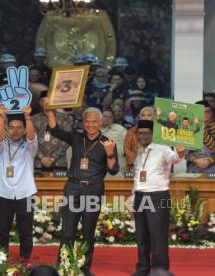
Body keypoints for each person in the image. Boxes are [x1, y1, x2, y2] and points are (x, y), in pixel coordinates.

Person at [45, 104, 119, 276]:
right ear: (83, 122)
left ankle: (84, 269)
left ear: (100, 122)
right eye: (87, 121)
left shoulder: (107, 142)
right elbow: (55, 130)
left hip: (93, 188)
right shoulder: (77, 137)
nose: (91, 125)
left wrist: (109, 154)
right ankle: (63, 266)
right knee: (67, 231)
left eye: (94, 122)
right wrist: (49, 111)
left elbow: (114, 170)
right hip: (73, 187)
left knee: (88, 232)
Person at [131, 120, 185, 276]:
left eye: (146, 133)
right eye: (140, 133)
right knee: (141, 236)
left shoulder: (162, 148)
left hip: (158, 196)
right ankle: (142, 269)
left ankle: (160, 270)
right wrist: (134, 197)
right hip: (140, 196)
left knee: (158, 236)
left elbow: (174, 158)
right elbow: (137, 177)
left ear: (153, 134)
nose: (142, 136)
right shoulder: (140, 151)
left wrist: (180, 152)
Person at [0, 105, 37, 260]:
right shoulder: (1, 147)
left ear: (24, 130)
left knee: (25, 231)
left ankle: (25, 260)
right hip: (3, 192)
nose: (15, 130)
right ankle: (0, 259)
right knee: (2, 230)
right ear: (7, 129)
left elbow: (32, 136)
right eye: (11, 128)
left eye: (19, 127)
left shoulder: (30, 147)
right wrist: (2, 118)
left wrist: (28, 117)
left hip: (25, 192)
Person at [33, 91, 72, 172]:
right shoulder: (34, 119)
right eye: (45, 101)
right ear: (40, 102)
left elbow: (67, 140)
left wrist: (53, 157)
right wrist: (41, 157)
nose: (48, 104)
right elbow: (30, 141)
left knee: (59, 185)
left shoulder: (65, 118)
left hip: (59, 163)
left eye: (50, 101)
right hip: (38, 163)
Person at [186, 106, 215, 173]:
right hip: (193, 169)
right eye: (201, 111)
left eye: (207, 111)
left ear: (212, 113)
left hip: (214, 170)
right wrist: (196, 161)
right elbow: (184, 151)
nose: (204, 114)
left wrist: (209, 161)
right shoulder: (187, 128)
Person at [124, 106, 154, 171]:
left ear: (153, 117)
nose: (145, 117)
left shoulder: (158, 133)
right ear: (139, 117)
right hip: (134, 167)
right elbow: (127, 150)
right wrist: (138, 163)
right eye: (143, 115)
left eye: (149, 115)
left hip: (154, 168)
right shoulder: (131, 132)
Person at [101, 109, 127, 175]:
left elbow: (129, 143)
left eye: (110, 117)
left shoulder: (120, 129)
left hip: (118, 164)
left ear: (113, 119)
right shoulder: (95, 130)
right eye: (105, 116)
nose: (107, 119)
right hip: (100, 165)